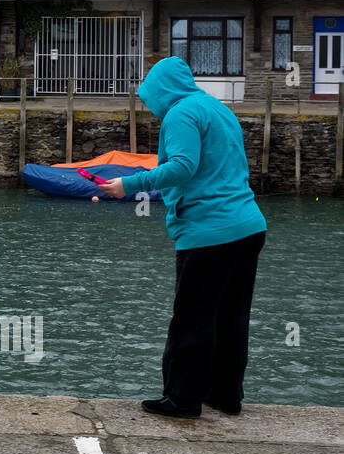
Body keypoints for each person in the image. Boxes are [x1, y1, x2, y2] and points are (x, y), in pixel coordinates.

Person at [98, 56, 267, 419]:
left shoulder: (180, 113)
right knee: (230, 317)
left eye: (149, 95)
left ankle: (183, 399)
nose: (149, 104)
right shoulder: (216, 108)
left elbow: (182, 167)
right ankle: (225, 395)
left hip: (209, 231)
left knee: (192, 317)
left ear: (162, 90)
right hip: (248, 226)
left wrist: (127, 185)